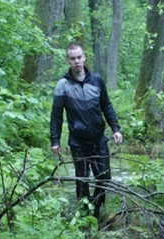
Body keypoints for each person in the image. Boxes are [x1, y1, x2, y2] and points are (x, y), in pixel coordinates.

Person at [50, 43, 123, 220]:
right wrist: (55, 140)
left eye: (79, 57)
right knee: (82, 179)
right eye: (72, 58)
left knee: (104, 177)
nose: (76, 61)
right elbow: (56, 115)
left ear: (84, 58)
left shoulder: (96, 80)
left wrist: (115, 129)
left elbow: (106, 106)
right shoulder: (63, 85)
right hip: (78, 142)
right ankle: (84, 214)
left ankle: (96, 211)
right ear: (68, 60)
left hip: (98, 139)